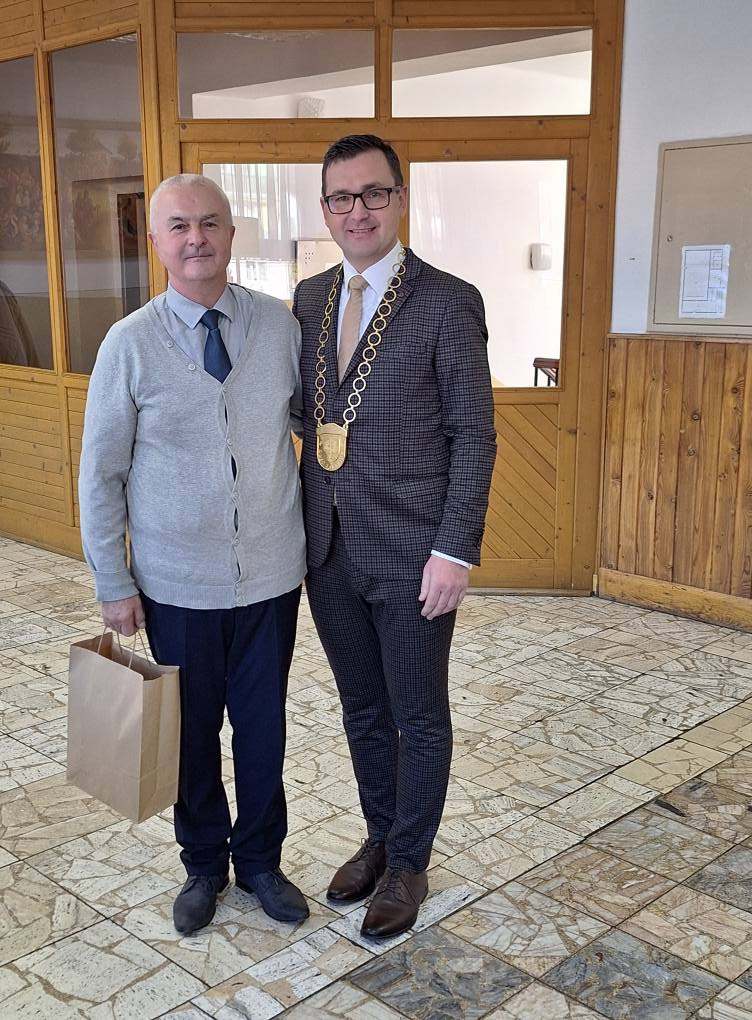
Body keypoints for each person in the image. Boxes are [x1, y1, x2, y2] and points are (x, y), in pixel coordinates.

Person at [79, 173, 308, 936]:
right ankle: (204, 864)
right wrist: (113, 581)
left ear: (232, 234)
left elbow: (314, 427)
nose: (196, 238)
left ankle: (262, 861)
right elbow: (101, 474)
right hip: (175, 586)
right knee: (191, 734)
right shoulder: (128, 344)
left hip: (271, 578)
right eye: (179, 226)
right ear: (156, 243)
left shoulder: (278, 327)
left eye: (210, 223)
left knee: (264, 730)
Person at [293, 135, 496, 938]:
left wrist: (455, 550)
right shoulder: (309, 298)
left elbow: (473, 435)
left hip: (415, 554)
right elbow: (301, 412)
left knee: (417, 714)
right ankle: (380, 835)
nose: (358, 211)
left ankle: (410, 863)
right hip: (327, 547)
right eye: (342, 197)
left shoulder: (448, 301)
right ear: (325, 209)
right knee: (362, 709)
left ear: (400, 199)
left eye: (373, 193)